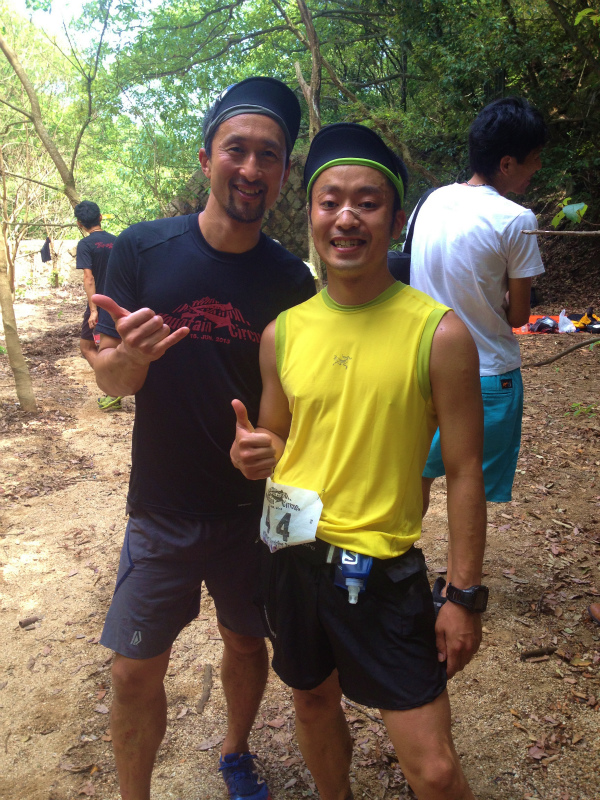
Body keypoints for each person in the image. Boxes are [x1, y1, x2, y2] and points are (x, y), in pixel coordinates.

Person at [231, 123, 487, 800]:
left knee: (432, 768)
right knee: (312, 703)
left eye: (367, 202)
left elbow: (463, 470)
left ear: (396, 220)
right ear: (311, 213)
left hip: (380, 566)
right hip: (290, 545)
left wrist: (463, 595)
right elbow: (279, 435)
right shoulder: (282, 333)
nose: (346, 217)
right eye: (330, 200)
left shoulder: (440, 333)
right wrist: (258, 450)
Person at [91, 77, 315, 800]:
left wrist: (277, 449)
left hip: (255, 512)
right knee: (131, 669)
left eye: (269, 156)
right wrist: (130, 361)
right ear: (206, 157)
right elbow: (112, 382)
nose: (251, 169)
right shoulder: (142, 248)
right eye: (236, 150)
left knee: (248, 641)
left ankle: (236, 749)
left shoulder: (293, 282)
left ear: (284, 173)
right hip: (161, 504)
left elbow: (306, 406)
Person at [409, 97, 547, 523]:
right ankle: (457, 587)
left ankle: (390, 571)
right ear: (507, 163)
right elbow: (519, 316)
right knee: (467, 484)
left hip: (423, 369)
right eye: (534, 159)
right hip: (487, 375)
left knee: (416, 477)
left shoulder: (429, 202)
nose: (538, 168)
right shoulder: (517, 219)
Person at [73, 200, 120, 411]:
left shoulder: (85, 245)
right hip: (119, 303)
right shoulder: (118, 241)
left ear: (79, 224)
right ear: (101, 217)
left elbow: (88, 278)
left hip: (99, 304)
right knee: (114, 346)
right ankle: (119, 386)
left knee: (87, 347)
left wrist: (93, 310)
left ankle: (113, 390)